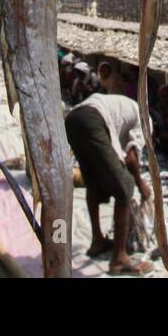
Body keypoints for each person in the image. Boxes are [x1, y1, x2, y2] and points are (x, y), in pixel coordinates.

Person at [64, 90, 153, 275]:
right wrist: (140, 185)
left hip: (73, 119)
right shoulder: (146, 122)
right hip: (92, 119)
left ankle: (98, 240)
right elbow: (130, 158)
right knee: (125, 187)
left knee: (94, 182)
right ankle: (119, 259)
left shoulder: (130, 109)